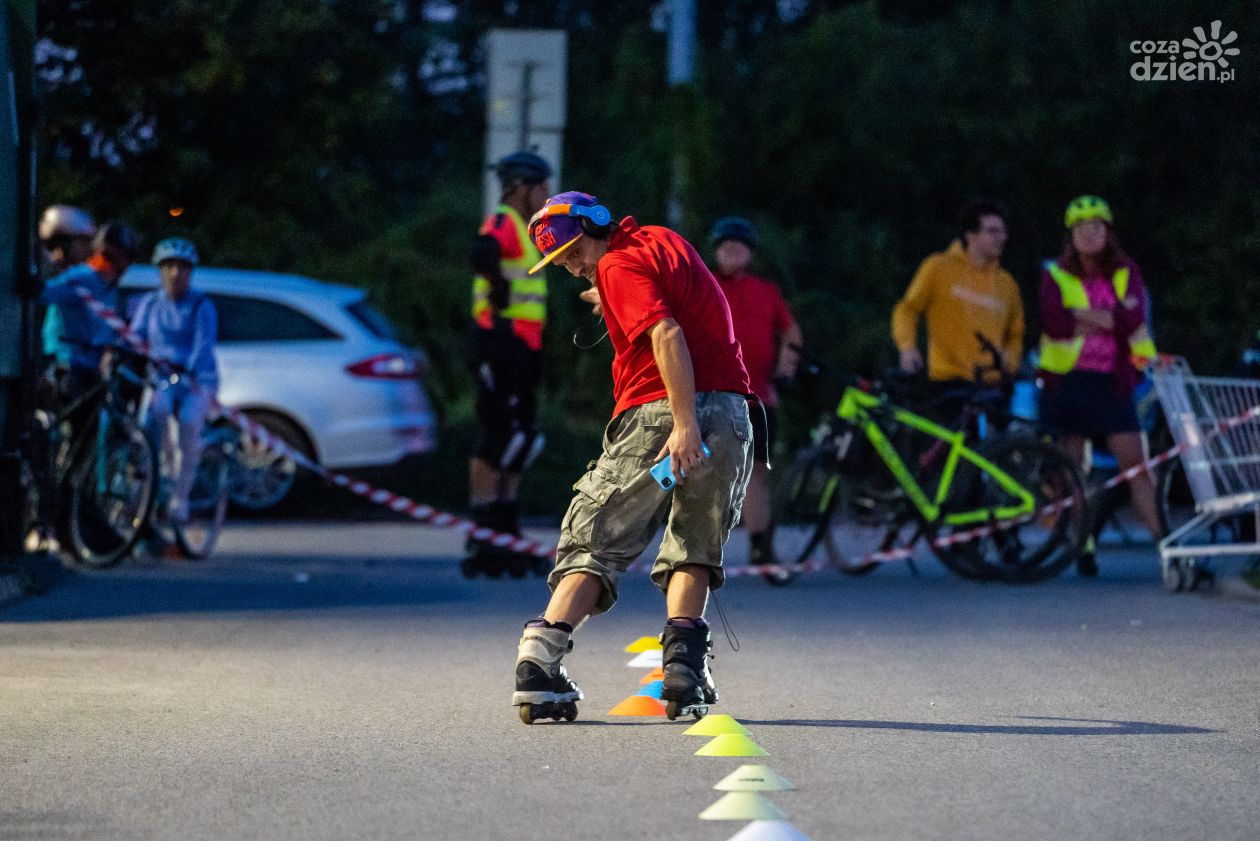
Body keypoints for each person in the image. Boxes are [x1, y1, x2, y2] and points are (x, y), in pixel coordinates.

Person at [511, 192, 753, 724]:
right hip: (730, 417)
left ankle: (541, 663)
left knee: (598, 536)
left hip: (661, 418)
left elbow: (666, 331)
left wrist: (685, 424)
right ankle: (685, 667)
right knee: (695, 537)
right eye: (564, 262)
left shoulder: (617, 264)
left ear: (596, 227)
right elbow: (676, 301)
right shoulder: (658, 244)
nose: (574, 268)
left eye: (574, 253)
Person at [1038, 195, 1160, 576]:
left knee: (1135, 466)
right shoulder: (1055, 273)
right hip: (1067, 381)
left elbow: (1133, 319)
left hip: (1113, 381)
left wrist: (1081, 316)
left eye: (1096, 228)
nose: (1089, 235)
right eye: (1080, 229)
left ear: (1108, 233)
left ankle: (1165, 541)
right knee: (1070, 469)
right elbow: (1055, 323)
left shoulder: (1126, 271)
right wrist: (1110, 317)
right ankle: (1081, 543)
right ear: (1070, 236)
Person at [464, 151, 553, 577]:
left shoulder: (531, 229)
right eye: (541, 187)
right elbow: (482, 251)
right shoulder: (503, 220)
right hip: (499, 340)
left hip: (524, 345)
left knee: (523, 436)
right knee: (497, 433)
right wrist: (497, 285)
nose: (547, 195)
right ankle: (483, 527)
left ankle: (505, 522)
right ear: (521, 188)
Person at [708, 216, 801, 582]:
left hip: (757, 397)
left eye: (739, 246)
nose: (732, 251)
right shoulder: (704, 284)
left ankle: (761, 547)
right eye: (725, 246)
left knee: (757, 473)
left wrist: (785, 371)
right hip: (709, 395)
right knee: (691, 466)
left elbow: (791, 332)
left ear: (750, 253)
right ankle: (646, 527)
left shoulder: (766, 290)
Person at [891, 199, 1024, 420]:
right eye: (992, 231)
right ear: (970, 236)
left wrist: (1010, 362)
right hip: (948, 382)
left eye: (1003, 232)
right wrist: (907, 347)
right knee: (949, 449)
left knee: (990, 451)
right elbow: (907, 309)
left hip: (991, 386)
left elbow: (1016, 333)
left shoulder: (1006, 284)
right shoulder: (938, 267)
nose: (1001, 238)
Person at [129, 238, 219, 524]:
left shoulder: (201, 305)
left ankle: (181, 497)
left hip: (194, 378)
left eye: (182, 268)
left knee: (190, 425)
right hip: (160, 377)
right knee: (151, 417)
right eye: (169, 267)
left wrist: (187, 369)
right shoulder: (150, 303)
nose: (175, 274)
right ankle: (146, 480)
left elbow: (203, 347)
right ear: (160, 270)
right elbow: (134, 336)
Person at [40, 221, 141, 411]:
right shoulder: (83, 277)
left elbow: (106, 329)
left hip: (93, 366)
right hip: (69, 361)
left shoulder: (109, 288)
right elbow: (44, 294)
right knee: (78, 415)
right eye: (123, 258)